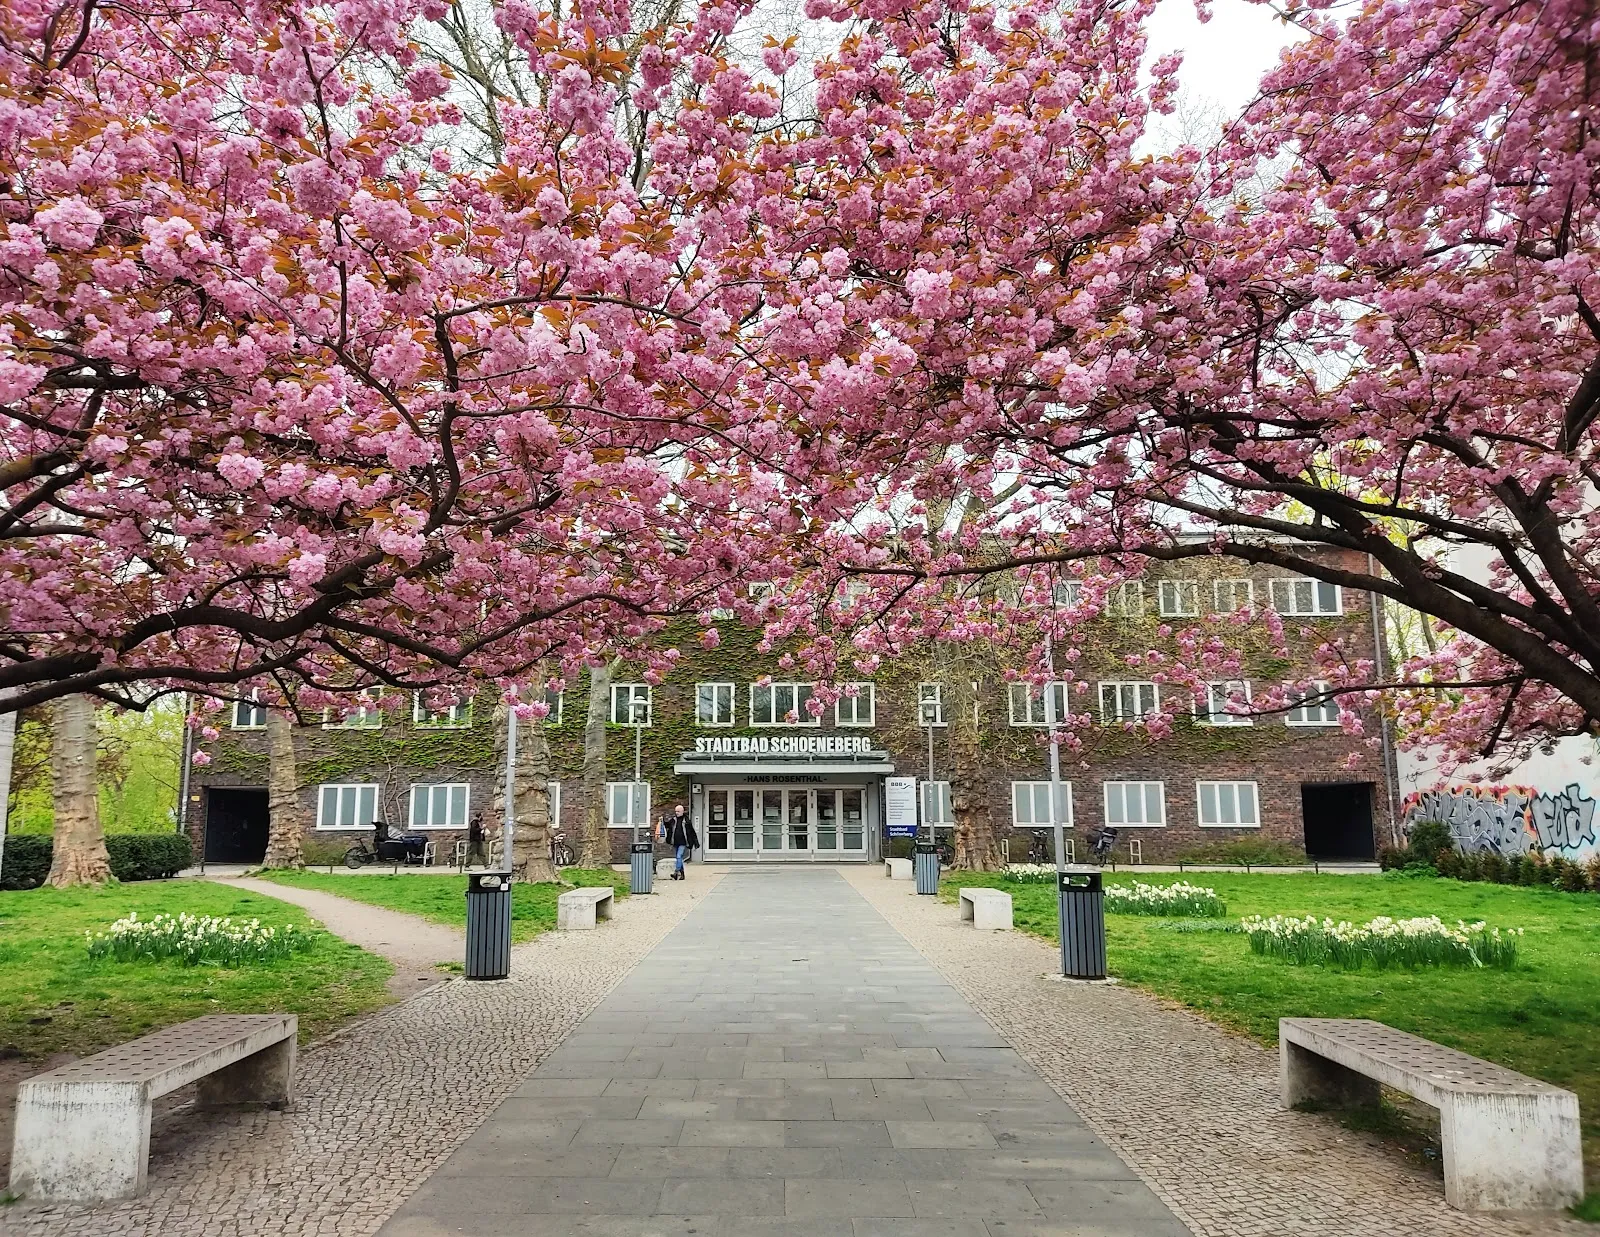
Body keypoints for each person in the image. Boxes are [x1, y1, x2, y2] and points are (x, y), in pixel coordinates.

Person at [659, 803, 697, 880]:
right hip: (675, 842)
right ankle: (682, 874)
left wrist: (695, 842)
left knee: (679, 856)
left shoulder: (686, 821)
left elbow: (691, 832)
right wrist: (662, 821)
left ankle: (676, 872)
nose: (677, 813)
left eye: (678, 811)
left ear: (682, 811)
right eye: (676, 811)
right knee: (679, 858)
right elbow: (667, 825)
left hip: (683, 842)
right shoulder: (674, 820)